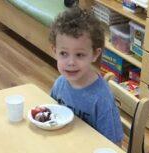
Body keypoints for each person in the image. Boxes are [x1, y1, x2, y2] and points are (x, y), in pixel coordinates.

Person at [48, 6, 123, 145]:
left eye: (80, 55)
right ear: (54, 51)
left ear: (95, 54)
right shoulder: (60, 83)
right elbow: (51, 115)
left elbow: (115, 146)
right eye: (64, 53)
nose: (71, 62)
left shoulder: (102, 99)